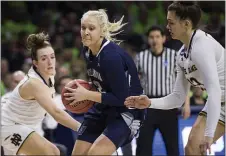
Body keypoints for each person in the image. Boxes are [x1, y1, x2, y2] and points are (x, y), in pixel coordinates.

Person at [125, 1, 225, 155]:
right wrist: (149, 102)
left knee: (198, 146)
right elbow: (178, 98)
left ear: (186, 24)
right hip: (219, 103)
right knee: (192, 148)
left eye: (171, 22)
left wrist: (209, 135)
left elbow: (215, 92)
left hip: (218, 99)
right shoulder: (181, 55)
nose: (167, 27)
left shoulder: (201, 46)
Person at [63, 9, 146, 155]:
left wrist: (87, 94)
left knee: (95, 154)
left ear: (102, 31)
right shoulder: (87, 50)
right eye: (83, 28)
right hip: (103, 106)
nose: (86, 32)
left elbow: (121, 99)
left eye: (91, 28)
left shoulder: (111, 57)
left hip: (127, 111)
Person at [1, 32, 81, 155]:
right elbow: (56, 113)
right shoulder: (34, 83)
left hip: (26, 127)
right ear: (35, 63)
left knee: (53, 151)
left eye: (52, 57)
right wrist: (82, 128)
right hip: (8, 126)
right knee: (51, 152)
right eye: (44, 58)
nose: (50, 62)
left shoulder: (49, 76)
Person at [135, 25, 190, 156]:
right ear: (148, 40)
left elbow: (184, 81)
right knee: (143, 147)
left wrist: (186, 104)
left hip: (168, 105)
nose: (155, 40)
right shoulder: (141, 57)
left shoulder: (174, 56)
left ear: (164, 38)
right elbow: (134, 82)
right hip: (147, 105)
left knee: (172, 147)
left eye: (157, 37)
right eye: (151, 37)